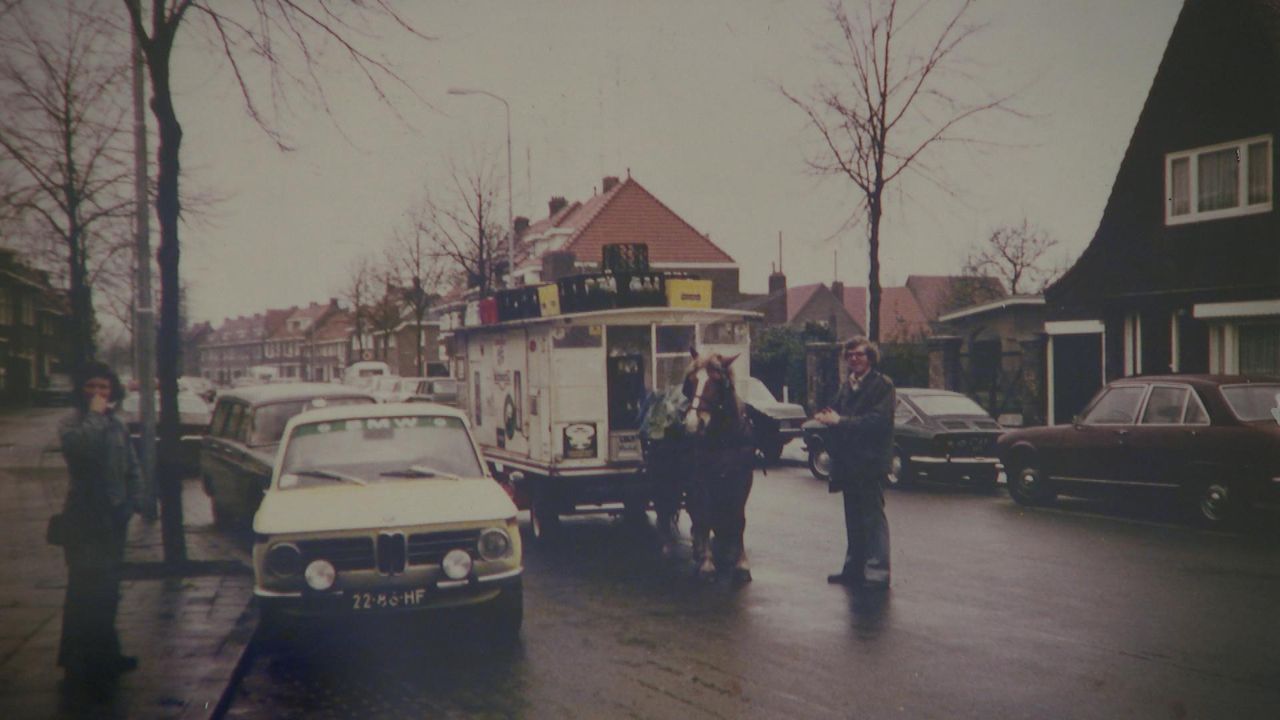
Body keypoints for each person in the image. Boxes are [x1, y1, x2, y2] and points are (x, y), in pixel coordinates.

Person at [56, 361, 146, 684]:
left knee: (108, 588)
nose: (98, 392)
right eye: (91, 386)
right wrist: (95, 415)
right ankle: (76, 661)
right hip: (84, 516)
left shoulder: (118, 425)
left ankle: (107, 654)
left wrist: (134, 500)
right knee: (83, 587)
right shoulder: (72, 424)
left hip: (113, 516)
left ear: (113, 392)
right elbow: (81, 449)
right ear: (82, 391)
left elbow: (132, 465)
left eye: (104, 388)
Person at [814, 337, 894, 590]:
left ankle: (877, 571)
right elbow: (836, 411)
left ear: (870, 357)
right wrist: (825, 416)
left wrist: (840, 421)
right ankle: (853, 569)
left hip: (870, 463)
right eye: (849, 356)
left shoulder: (882, 385)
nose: (853, 360)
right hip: (849, 463)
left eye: (859, 355)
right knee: (853, 518)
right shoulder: (846, 386)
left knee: (872, 517)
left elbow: (878, 422)